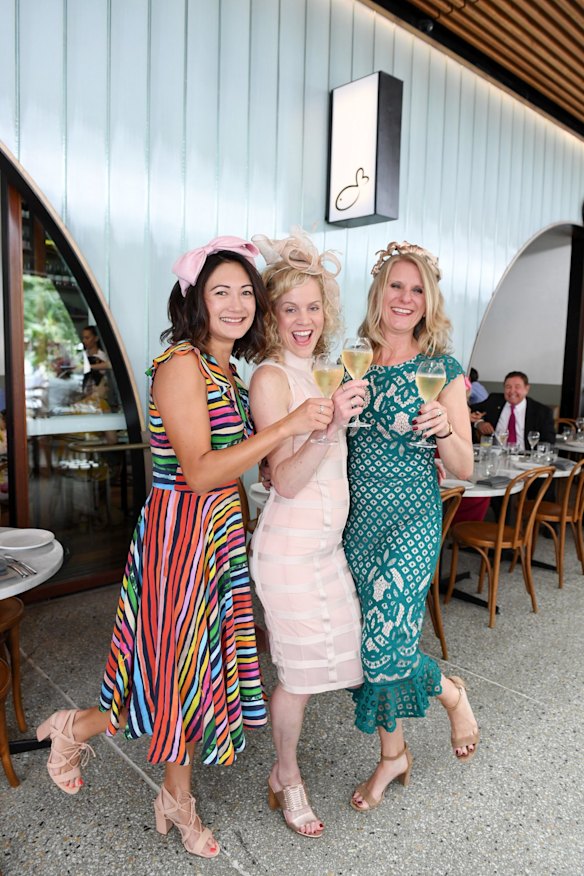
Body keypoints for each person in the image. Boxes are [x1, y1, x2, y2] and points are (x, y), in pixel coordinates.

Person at [36, 237, 333, 860]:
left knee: (189, 678)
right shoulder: (180, 364)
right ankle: (84, 733)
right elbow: (198, 470)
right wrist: (286, 425)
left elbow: (244, 466)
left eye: (246, 292)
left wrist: (296, 446)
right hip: (181, 534)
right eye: (220, 291)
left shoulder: (227, 370)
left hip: (219, 534)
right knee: (171, 674)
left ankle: (166, 791)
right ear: (194, 298)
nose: (236, 303)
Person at [342, 240, 480, 813]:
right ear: (379, 293)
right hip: (355, 522)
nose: (405, 298)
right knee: (363, 646)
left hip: (412, 520)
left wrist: (446, 427)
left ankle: (452, 695)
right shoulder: (350, 360)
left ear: (429, 301)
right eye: (395, 286)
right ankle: (393, 753)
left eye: (416, 289)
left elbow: (464, 469)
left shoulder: (440, 370)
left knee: (382, 645)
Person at [248, 229, 365, 838]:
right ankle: (286, 776)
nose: (303, 319)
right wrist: (328, 428)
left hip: (325, 549)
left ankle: (283, 767)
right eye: (289, 308)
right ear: (271, 316)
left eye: (313, 307)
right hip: (289, 551)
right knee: (297, 674)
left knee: (325, 663)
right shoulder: (271, 379)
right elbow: (285, 482)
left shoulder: (324, 373)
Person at [471, 370, 555, 449]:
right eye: (508, 387)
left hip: (526, 458)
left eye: (517, 387)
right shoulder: (494, 401)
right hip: (496, 456)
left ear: (527, 388)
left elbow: (548, 442)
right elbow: (469, 410)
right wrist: (479, 423)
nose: (512, 391)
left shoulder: (542, 412)